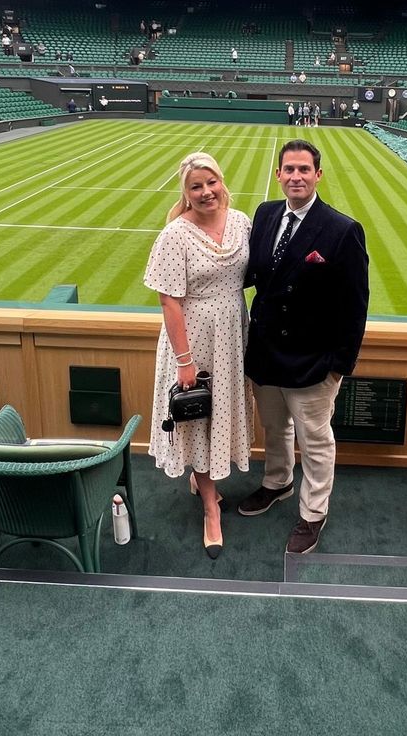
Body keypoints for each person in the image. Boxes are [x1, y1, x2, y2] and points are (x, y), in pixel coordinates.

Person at [239, 139, 369, 554]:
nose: (296, 176)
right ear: (278, 175)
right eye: (289, 169)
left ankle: (313, 512)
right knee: (274, 428)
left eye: (304, 170)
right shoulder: (264, 214)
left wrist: (338, 366)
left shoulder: (341, 229)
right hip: (265, 353)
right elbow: (251, 273)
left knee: (315, 440)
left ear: (318, 175)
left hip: (312, 360)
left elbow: (355, 305)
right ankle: (277, 482)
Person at [144, 153, 253, 559]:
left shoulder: (242, 221)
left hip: (232, 336)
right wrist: (185, 361)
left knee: (218, 414)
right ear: (185, 192)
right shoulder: (175, 234)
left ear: (221, 182)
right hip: (193, 341)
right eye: (196, 186)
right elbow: (169, 302)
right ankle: (211, 507)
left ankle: (202, 480)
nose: (206, 192)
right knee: (199, 417)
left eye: (211, 182)